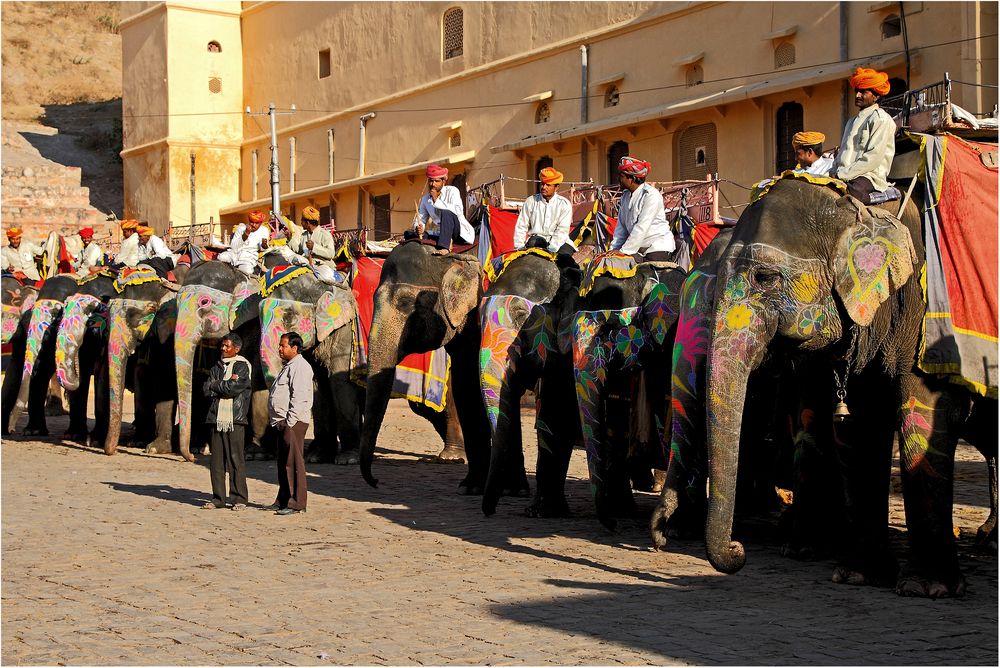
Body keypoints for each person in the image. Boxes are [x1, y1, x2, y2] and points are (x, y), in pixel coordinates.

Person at [201, 333, 252, 511]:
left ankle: (239, 498)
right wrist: (222, 384)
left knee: (235, 459)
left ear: (236, 349)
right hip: (216, 418)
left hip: (235, 419)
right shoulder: (217, 366)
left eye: (227, 346)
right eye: (222, 346)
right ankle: (218, 498)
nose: (223, 349)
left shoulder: (243, 366)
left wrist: (217, 385)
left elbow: (233, 389)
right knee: (216, 461)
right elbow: (206, 389)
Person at [265, 332, 313, 515]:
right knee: (283, 462)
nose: (280, 349)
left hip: (292, 422)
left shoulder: (300, 366)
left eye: (283, 346)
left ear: (295, 348)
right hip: (282, 422)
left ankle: (297, 503)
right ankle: (283, 499)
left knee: (293, 462)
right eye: (279, 345)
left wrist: (290, 422)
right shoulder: (289, 366)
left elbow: (300, 396)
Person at [832, 67, 896, 204]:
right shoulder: (851, 122)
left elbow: (874, 157)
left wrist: (843, 174)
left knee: (851, 196)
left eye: (863, 92)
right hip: (844, 174)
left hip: (869, 175)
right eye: (857, 91)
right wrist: (833, 172)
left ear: (876, 96)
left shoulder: (881, 119)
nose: (857, 95)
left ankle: (881, 196)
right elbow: (843, 152)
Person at [609, 155, 676, 262]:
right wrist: (614, 249)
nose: (618, 180)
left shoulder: (651, 195)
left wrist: (623, 252)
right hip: (636, 249)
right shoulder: (625, 196)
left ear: (632, 179)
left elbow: (641, 227)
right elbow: (621, 228)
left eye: (621, 176)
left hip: (657, 247)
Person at [410, 164, 475, 255]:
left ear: (444, 181)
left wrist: (436, 200)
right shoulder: (425, 199)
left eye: (437, 181)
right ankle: (445, 239)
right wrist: (419, 227)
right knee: (409, 234)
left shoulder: (453, 191)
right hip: (440, 232)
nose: (433, 184)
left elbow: (457, 211)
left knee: (446, 212)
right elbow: (421, 218)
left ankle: (445, 247)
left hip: (458, 231)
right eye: (431, 181)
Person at [512, 166, 576, 256]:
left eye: (548, 185)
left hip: (559, 243)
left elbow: (562, 230)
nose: (544, 187)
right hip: (536, 241)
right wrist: (519, 247)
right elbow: (521, 226)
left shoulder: (564, 204)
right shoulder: (531, 201)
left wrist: (551, 250)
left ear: (556, 187)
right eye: (542, 184)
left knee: (566, 261)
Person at [293, 206, 342, 283]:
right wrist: (290, 239)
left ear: (308, 223)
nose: (301, 223)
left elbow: (331, 254)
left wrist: (314, 247)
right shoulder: (304, 236)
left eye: (302, 221)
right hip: (307, 265)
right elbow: (298, 251)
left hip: (323, 266)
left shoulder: (325, 234)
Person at [218, 210, 270, 276]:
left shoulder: (264, 231)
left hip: (248, 256)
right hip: (234, 253)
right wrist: (245, 235)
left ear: (261, 223)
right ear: (249, 220)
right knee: (221, 257)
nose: (253, 225)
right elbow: (233, 246)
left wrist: (264, 245)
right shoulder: (241, 228)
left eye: (256, 223)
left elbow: (263, 248)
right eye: (252, 222)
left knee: (246, 271)